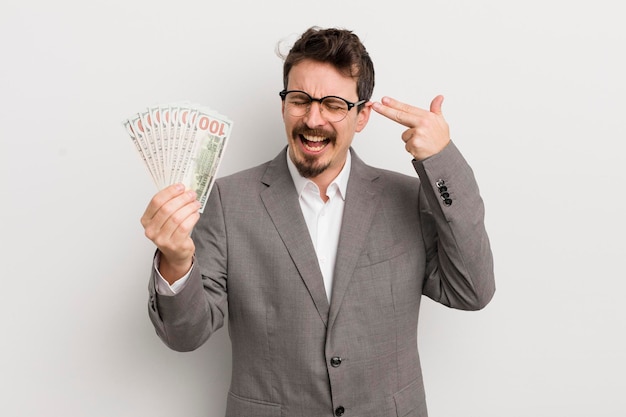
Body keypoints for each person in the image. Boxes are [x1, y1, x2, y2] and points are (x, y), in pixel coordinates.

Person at [141, 26, 495, 417]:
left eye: (333, 104)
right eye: (300, 100)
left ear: (361, 116)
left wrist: (441, 161)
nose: (313, 119)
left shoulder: (407, 199)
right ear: (283, 105)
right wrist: (175, 261)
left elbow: (471, 291)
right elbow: (184, 335)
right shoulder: (227, 201)